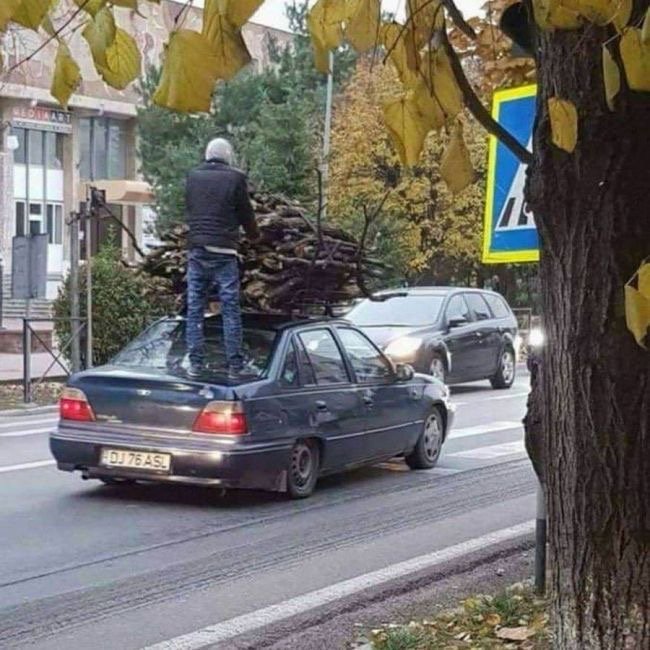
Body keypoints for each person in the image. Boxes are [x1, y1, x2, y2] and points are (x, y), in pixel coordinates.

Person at [184, 138, 259, 379]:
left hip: (197, 250)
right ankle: (234, 362)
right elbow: (245, 212)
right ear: (228, 156)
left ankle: (195, 360)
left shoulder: (193, 177)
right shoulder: (235, 178)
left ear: (207, 155)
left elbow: (190, 207)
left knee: (195, 306)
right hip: (224, 253)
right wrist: (254, 236)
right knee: (229, 308)